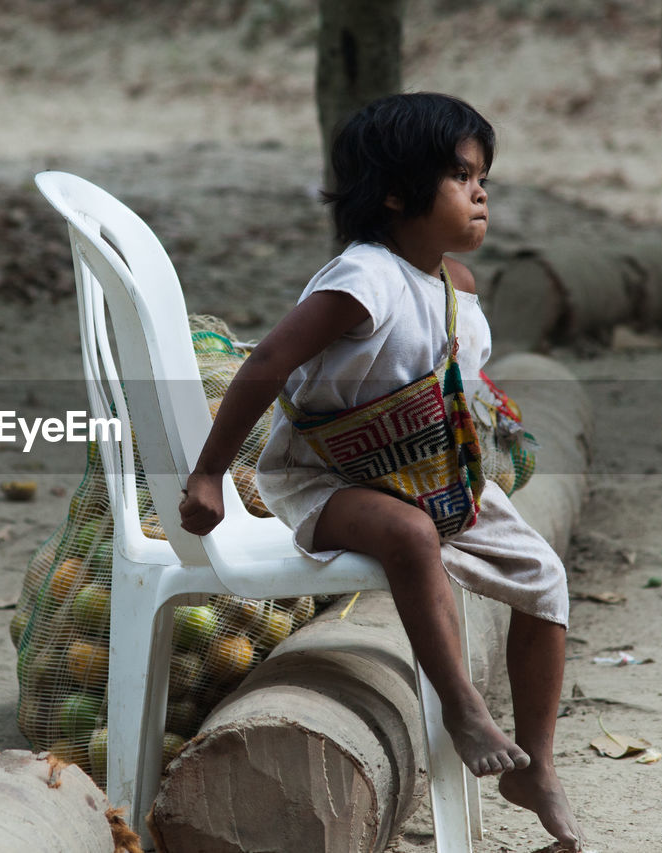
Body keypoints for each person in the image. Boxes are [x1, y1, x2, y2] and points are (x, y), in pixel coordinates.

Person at [178, 92, 584, 852]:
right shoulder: (361, 279)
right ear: (396, 194)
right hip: (329, 480)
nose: (480, 191)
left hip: (434, 473)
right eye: (461, 176)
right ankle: (461, 705)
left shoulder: (452, 285)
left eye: (483, 177)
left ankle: (539, 763)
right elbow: (268, 361)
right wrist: (208, 472)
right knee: (406, 534)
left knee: (546, 578)